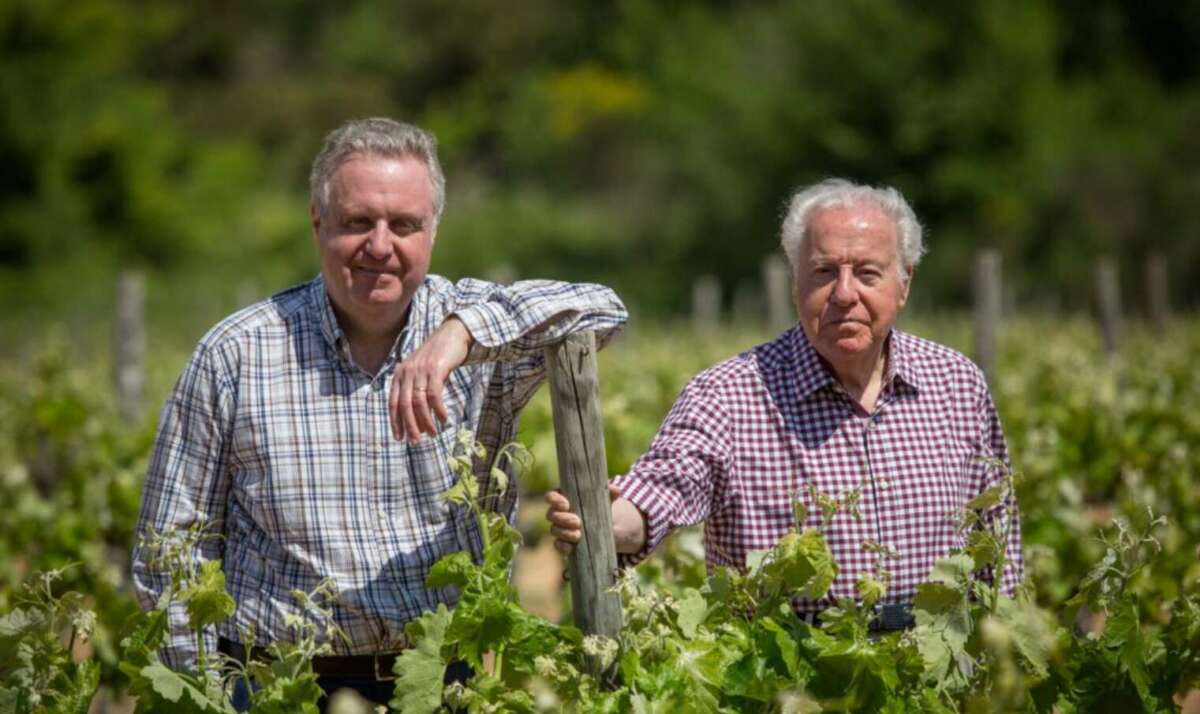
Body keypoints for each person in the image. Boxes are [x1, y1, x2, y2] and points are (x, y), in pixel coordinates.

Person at [131, 117, 627, 708]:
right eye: (358, 222)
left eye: (405, 225)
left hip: (439, 682)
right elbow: (169, 551)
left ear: (433, 232)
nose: (381, 246)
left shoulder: (479, 345)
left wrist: (460, 334)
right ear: (318, 224)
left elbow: (602, 310)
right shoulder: (236, 353)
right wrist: (207, 697)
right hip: (280, 686)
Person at [547, 178, 1021, 629]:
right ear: (796, 281)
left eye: (867, 273)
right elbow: (665, 489)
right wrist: (603, 522)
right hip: (788, 682)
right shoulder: (729, 395)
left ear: (905, 283)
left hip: (938, 677)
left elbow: (998, 540)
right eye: (823, 272)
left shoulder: (957, 383)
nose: (844, 293)